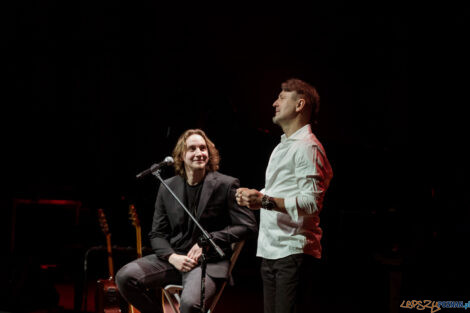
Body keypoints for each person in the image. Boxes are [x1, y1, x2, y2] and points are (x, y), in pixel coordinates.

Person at [116, 129, 257, 313]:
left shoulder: (226, 184)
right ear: (181, 156)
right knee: (125, 277)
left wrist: (209, 240)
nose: (199, 153)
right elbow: (157, 234)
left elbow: (248, 226)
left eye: (203, 148)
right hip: (175, 259)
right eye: (192, 149)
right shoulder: (168, 187)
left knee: (190, 305)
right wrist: (173, 257)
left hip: (207, 263)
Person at [236, 78, 333, 313]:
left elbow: (311, 203)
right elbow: (280, 193)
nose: (274, 103)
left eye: (282, 97)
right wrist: (256, 196)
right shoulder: (283, 146)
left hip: (293, 252)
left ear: (300, 104)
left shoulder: (307, 147)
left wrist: (264, 201)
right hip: (273, 250)